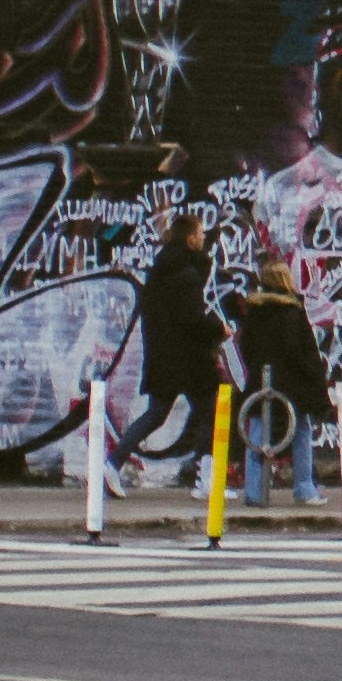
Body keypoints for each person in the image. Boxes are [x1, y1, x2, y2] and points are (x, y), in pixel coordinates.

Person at [135, 198, 228, 482]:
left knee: (158, 415)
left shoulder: (161, 270)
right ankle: (206, 477)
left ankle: (111, 464)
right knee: (211, 414)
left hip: (166, 357)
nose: (204, 239)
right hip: (187, 359)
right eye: (200, 234)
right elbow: (191, 318)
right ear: (190, 239)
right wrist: (218, 330)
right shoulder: (187, 274)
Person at [235, 246, 333, 516]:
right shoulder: (292, 311)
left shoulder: (254, 312)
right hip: (291, 384)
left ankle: (254, 490)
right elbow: (300, 349)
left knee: (256, 431)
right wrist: (312, 375)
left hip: (260, 380)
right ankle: (304, 487)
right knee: (300, 430)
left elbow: (246, 347)